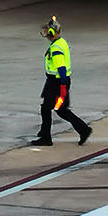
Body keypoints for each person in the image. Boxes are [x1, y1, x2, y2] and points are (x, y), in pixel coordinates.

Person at [32, 16, 91, 146]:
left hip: (57, 83)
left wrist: (63, 88)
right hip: (55, 82)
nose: (46, 33)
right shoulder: (61, 42)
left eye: (48, 31)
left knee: (53, 109)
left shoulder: (56, 49)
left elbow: (61, 69)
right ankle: (45, 132)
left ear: (52, 33)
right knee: (53, 108)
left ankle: (47, 137)